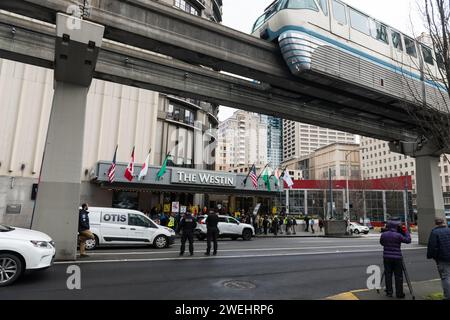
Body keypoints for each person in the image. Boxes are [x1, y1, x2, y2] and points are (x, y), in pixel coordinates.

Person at [380, 219, 411, 298]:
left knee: (388, 275)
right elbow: (408, 240)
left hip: (386, 257)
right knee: (398, 276)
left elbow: (382, 243)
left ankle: (389, 292)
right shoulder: (398, 235)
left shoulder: (384, 234)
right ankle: (399, 293)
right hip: (397, 258)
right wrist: (406, 231)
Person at [427, 218, 450, 300]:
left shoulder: (434, 232)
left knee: (445, 277)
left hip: (442, 258)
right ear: (444, 222)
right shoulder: (449, 230)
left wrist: (431, 256)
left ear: (435, 224)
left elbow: (432, 247)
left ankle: (447, 296)